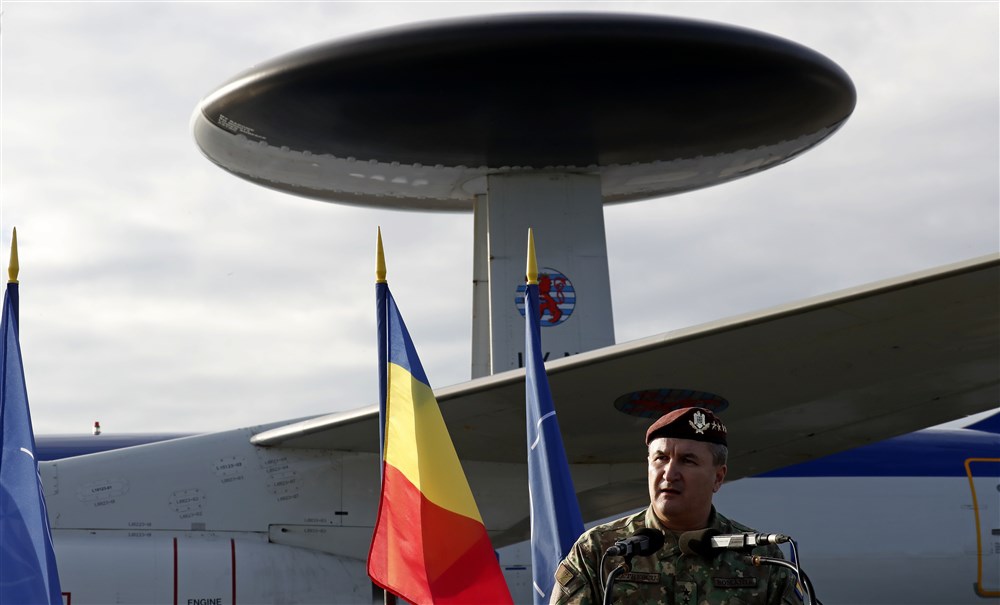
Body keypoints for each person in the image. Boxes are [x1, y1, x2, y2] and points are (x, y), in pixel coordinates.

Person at [550, 407, 800, 605]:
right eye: (661, 459)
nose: (669, 474)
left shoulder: (759, 558)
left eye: (688, 461)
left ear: (718, 477)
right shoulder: (601, 551)